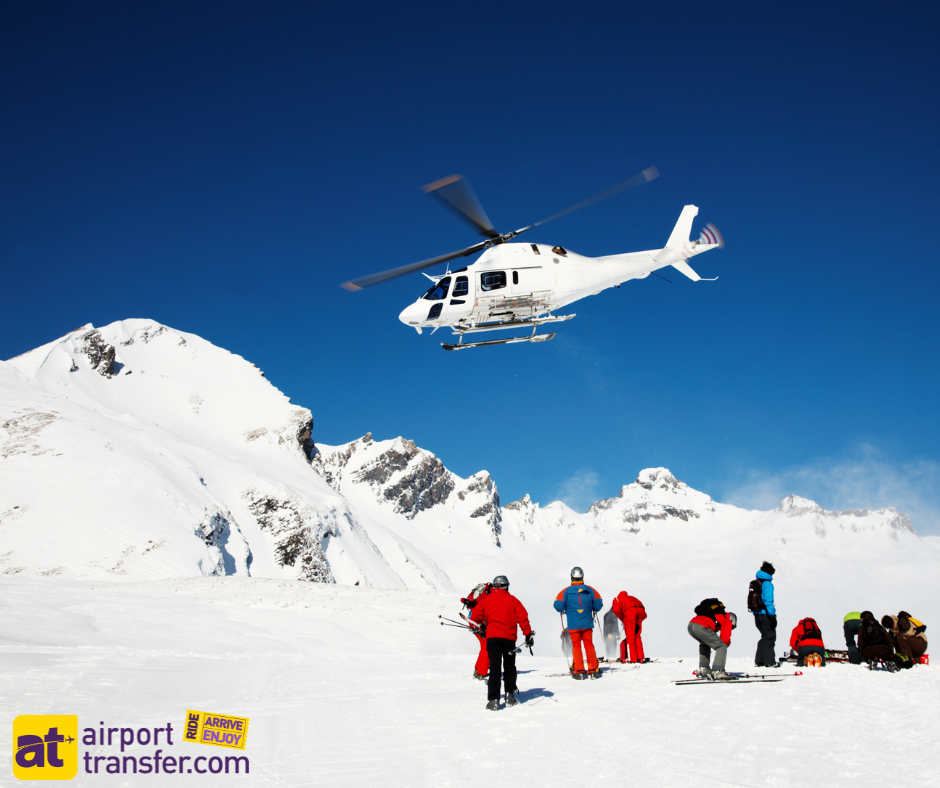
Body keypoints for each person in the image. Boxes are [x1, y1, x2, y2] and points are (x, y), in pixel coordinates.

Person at [472, 575, 534, 710]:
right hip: (509, 638)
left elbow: (475, 616)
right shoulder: (513, 600)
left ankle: (493, 700)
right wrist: (528, 634)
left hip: (492, 638)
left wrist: (479, 628)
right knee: (509, 667)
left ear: (494, 586)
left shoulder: (486, 600)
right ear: (507, 586)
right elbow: (523, 617)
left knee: (495, 668)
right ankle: (509, 696)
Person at [554, 566, 604, 678]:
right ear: (582, 576)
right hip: (587, 623)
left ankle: (579, 670)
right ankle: (593, 670)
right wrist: (593, 609)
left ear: (571, 577)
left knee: (576, 646)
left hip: (573, 625)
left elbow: (558, 606)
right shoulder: (590, 590)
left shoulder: (565, 592)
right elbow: (598, 603)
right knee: (589, 645)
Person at [688, 598, 735, 679]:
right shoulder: (727, 619)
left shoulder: (716, 614)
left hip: (691, 625)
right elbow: (724, 639)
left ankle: (704, 669)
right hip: (701, 627)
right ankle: (718, 671)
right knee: (721, 646)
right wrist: (725, 645)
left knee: (705, 644)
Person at [460, 583, 491, 680]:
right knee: (488, 647)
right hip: (479, 624)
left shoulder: (480, 596)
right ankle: (481, 673)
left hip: (473, 622)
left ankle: (477, 670)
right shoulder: (488, 596)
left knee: (484, 647)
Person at [751, 561, 777, 668]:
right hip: (765, 614)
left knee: (764, 636)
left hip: (756, 614)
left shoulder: (757, 582)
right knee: (770, 637)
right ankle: (769, 662)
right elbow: (768, 601)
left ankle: (760, 660)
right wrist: (772, 616)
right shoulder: (767, 584)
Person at [612, 591, 647, 663]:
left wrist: (623, 619)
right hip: (641, 612)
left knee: (630, 637)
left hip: (630, 613)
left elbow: (616, 610)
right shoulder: (632, 598)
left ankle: (632, 658)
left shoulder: (617, 599)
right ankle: (640, 658)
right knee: (637, 635)